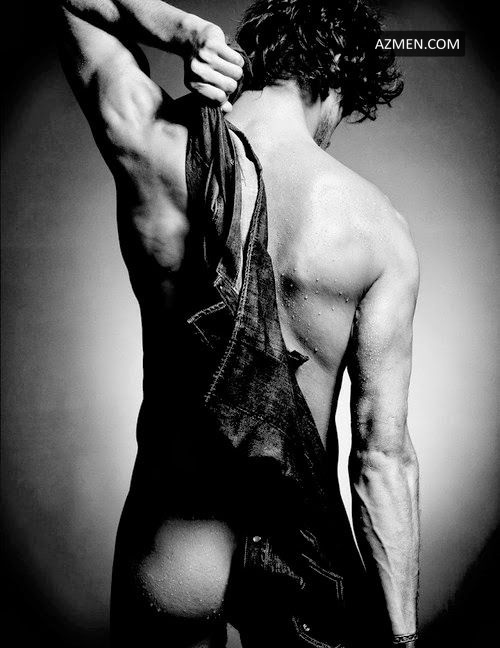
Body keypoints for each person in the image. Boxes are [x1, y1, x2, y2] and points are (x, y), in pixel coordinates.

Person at [57, 1, 420, 646]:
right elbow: (380, 459)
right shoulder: (379, 230)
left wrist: (183, 32)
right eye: (340, 108)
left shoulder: (156, 143)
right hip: (302, 560)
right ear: (333, 77)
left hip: (174, 540)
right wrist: (403, 638)